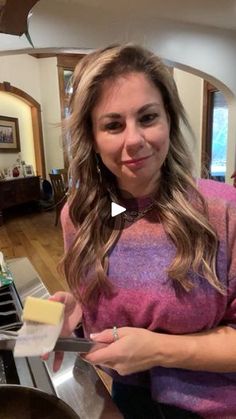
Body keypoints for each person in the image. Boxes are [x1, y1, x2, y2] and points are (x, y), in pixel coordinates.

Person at [51, 45, 236, 418]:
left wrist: (158, 349)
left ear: (168, 119)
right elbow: (121, 310)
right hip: (127, 402)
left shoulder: (224, 211)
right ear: (92, 135)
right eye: (113, 124)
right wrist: (80, 313)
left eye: (148, 117)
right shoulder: (80, 216)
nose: (133, 139)